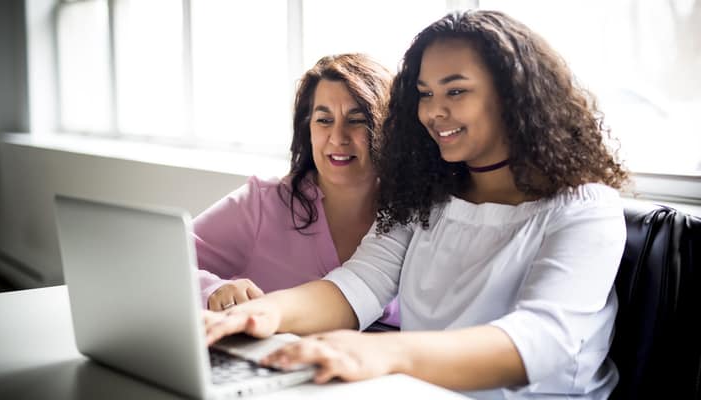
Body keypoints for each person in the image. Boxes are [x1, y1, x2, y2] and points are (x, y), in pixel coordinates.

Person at [203, 10, 629, 399]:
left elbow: (542, 339)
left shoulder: (586, 208)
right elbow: (357, 285)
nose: (434, 112)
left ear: (513, 95)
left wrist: (388, 354)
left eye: (455, 91)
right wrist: (260, 315)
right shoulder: (428, 196)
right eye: (424, 94)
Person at [193, 53, 399, 326]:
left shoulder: (414, 217)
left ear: (388, 126)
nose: (338, 137)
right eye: (324, 120)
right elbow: (160, 261)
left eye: (357, 120)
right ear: (308, 129)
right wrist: (212, 289)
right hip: (276, 363)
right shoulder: (261, 204)